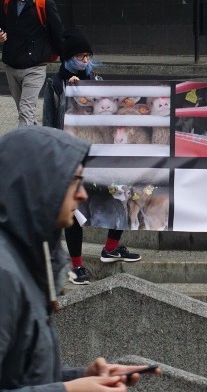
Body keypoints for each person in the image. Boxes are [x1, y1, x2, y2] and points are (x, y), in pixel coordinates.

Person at [0, 126, 151, 391]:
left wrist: (80, 377)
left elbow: (17, 373)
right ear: (41, 185)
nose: (83, 194)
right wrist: (70, 390)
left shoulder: (19, 255)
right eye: (74, 182)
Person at [43, 27, 142, 285]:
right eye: (80, 56)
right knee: (73, 210)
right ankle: (76, 266)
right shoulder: (55, 85)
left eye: (88, 56)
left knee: (122, 192)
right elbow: (49, 123)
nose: (85, 61)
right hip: (70, 157)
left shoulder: (96, 81)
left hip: (100, 154)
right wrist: (72, 94)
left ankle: (112, 246)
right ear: (68, 57)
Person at [0, 0, 65, 126]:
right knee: (25, 113)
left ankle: (23, 151)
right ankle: (39, 141)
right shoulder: (6, 0)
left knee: (25, 111)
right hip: (11, 66)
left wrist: (66, 62)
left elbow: (58, 33)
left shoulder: (43, 1)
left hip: (35, 66)